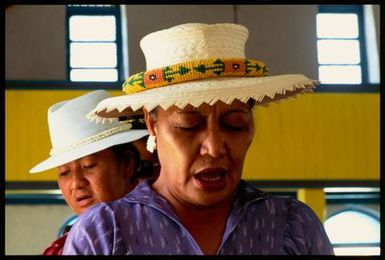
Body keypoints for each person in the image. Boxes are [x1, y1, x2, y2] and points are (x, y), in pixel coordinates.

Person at [63, 23, 334, 255]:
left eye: (234, 124)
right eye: (188, 125)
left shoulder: (292, 224)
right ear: (152, 125)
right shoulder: (103, 232)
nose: (214, 148)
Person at [29, 90, 157, 255]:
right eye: (64, 172)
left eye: (88, 165)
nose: (76, 183)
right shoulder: (60, 248)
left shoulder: (159, 230)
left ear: (127, 164)